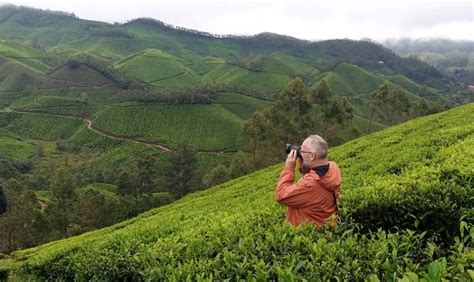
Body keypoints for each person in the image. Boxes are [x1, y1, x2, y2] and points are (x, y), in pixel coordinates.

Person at [275, 135, 341, 227]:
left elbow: (280, 195)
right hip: (325, 227)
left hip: (307, 235)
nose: (300, 153)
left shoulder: (310, 185)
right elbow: (310, 175)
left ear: (312, 155)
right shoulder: (332, 167)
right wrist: (304, 160)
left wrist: (289, 168)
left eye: (302, 151)